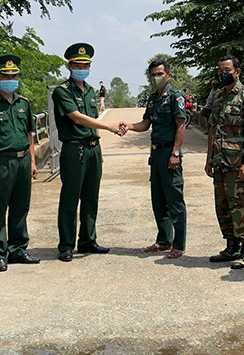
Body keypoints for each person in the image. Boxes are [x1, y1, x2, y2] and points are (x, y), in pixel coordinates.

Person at [52, 43, 124, 262]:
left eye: (86, 64)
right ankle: (66, 245)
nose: (82, 67)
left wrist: (97, 145)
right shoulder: (62, 91)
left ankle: (88, 240)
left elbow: (91, 121)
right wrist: (109, 127)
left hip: (93, 149)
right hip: (75, 149)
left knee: (91, 197)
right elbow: (76, 117)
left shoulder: (91, 92)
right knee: (70, 198)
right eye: (78, 64)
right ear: (70, 65)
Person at [0, 54, 40, 272]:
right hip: (1, 161)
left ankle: (18, 249)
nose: (11, 79)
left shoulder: (24, 103)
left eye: (14, 75)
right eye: (6, 76)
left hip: (23, 160)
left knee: (21, 207)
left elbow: (29, 133)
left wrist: (32, 161)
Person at [121, 60, 188, 259]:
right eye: (153, 75)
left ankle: (179, 243)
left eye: (159, 73)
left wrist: (175, 153)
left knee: (175, 200)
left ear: (168, 75)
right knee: (158, 200)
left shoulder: (176, 97)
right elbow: (146, 123)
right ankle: (164, 240)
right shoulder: (152, 99)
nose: (156, 78)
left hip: (169, 153)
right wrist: (129, 126)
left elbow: (181, 125)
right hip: (156, 154)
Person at [205, 55, 244, 269]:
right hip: (220, 162)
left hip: (238, 164)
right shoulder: (219, 96)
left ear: (237, 72)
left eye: (227, 70)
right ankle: (231, 247)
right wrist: (209, 158)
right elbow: (212, 129)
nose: (223, 74)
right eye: (220, 71)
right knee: (223, 207)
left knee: (242, 207)